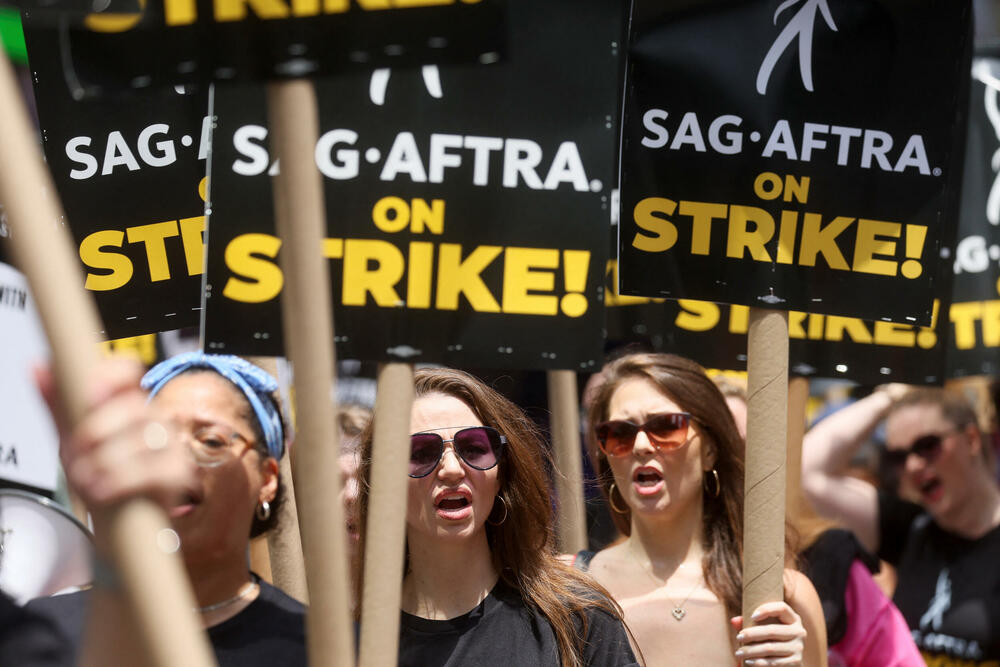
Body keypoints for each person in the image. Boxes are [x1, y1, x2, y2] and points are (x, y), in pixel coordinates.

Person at [29, 352, 307, 667]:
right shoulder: (41, 635)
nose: (176, 461)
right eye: (156, 439)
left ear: (268, 479)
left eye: (210, 441)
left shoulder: (323, 650)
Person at [354, 367, 639, 667]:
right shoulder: (353, 645)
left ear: (501, 474)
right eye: (421, 452)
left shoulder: (579, 617)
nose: (452, 469)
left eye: (474, 448)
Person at [578, 352, 827, 666]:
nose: (641, 445)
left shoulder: (781, 599)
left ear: (710, 450)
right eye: (620, 434)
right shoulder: (567, 591)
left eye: (666, 427)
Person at [802, 384, 1000, 664]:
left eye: (927, 446)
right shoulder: (912, 528)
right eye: (898, 456)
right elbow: (808, 471)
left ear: (971, 439)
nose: (913, 466)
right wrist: (889, 397)